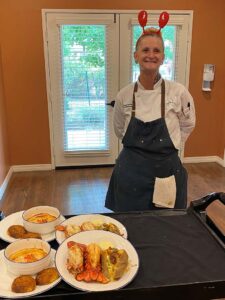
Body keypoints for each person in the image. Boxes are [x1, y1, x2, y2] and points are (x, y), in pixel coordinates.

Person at [105, 11, 196, 212]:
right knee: (130, 224)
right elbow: (120, 130)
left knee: (166, 225)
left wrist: (172, 146)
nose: (151, 55)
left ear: (163, 57)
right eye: (145, 49)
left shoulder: (178, 92)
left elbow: (188, 124)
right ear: (136, 55)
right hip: (130, 173)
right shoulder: (124, 95)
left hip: (166, 171)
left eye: (157, 50)